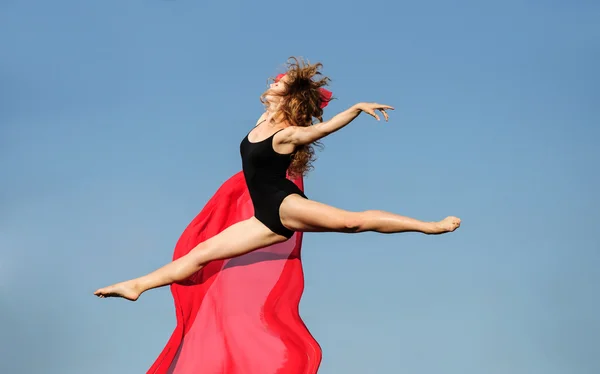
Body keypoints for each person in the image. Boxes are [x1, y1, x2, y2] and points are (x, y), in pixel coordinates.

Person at [94, 57, 461, 301]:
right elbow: (276, 100)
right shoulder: (262, 121)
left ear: (288, 96)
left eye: (279, 81)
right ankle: (138, 285)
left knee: (352, 222)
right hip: (263, 218)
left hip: (285, 206)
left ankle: (431, 226)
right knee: (201, 254)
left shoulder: (286, 133)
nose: (273, 81)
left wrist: (354, 109)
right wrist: (288, 91)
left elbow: (325, 128)